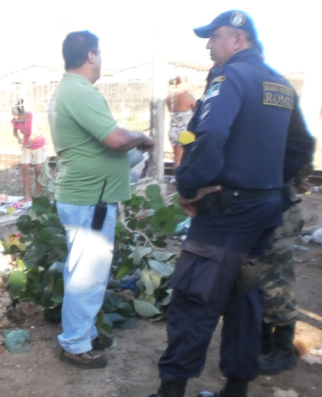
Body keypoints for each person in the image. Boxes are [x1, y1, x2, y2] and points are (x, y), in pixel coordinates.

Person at [120, 11, 315, 397]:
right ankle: (235, 396)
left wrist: (190, 184)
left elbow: (209, 134)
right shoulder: (280, 84)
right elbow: (301, 146)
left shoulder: (231, 78)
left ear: (238, 39)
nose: (209, 45)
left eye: (215, 37)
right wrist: (269, 184)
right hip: (264, 211)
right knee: (245, 300)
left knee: (195, 299)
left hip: (228, 215)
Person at [48, 30, 154, 369]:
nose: (101, 60)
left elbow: (99, 148)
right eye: (100, 53)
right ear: (91, 55)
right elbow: (116, 139)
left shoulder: (70, 90)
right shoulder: (80, 92)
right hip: (89, 201)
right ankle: (76, 343)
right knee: (86, 275)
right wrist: (141, 136)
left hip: (87, 197)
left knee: (86, 271)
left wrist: (133, 151)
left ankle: (85, 332)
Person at [259, 165, 313, 376]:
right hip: (260, 207)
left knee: (277, 282)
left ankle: (283, 349)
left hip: (277, 212)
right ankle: (263, 342)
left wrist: (293, 179)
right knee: (256, 279)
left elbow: (302, 153)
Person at [11, 99, 47, 202]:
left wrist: (34, 137)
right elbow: (15, 132)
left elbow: (44, 128)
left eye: (18, 117)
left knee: (38, 169)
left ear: (23, 114)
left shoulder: (33, 117)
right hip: (26, 145)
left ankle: (38, 196)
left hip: (38, 145)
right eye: (15, 117)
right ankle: (27, 196)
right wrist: (18, 138)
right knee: (24, 168)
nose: (16, 119)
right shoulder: (15, 119)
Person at [165, 75, 196, 169]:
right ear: (182, 84)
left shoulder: (168, 97)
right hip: (186, 132)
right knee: (190, 158)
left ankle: (177, 177)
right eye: (188, 84)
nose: (189, 86)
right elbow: (198, 110)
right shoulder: (188, 97)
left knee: (177, 159)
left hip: (173, 131)